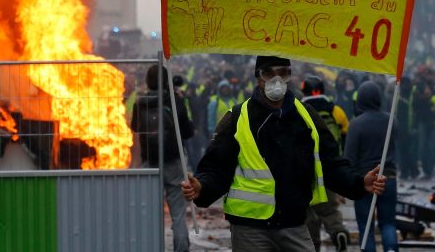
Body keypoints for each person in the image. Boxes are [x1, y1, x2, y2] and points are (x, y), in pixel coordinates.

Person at [181, 56, 386, 252]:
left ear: (290, 75)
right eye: (268, 73)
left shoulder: (307, 117)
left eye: (282, 73)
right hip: (250, 230)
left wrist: (359, 184)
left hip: (293, 224)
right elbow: (216, 168)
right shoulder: (237, 118)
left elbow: (331, 164)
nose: (276, 80)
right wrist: (202, 187)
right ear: (258, 77)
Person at [131, 64, 195, 252]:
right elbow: (188, 131)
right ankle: (181, 249)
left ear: (148, 81)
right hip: (174, 162)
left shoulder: (140, 102)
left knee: (149, 214)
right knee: (178, 216)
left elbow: (135, 127)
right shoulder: (175, 100)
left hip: (150, 162)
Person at [345, 81, 398, 252]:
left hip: (364, 182)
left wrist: (348, 182)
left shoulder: (356, 124)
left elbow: (349, 157)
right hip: (388, 178)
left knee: (365, 227)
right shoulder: (391, 121)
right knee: (388, 222)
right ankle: (391, 249)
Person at [300, 75, 351, 252]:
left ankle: (313, 245)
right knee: (329, 209)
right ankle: (338, 232)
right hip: (329, 169)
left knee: (308, 213)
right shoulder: (336, 111)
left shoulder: (298, 110)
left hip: (306, 170)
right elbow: (345, 136)